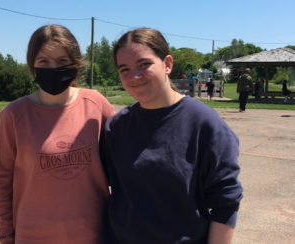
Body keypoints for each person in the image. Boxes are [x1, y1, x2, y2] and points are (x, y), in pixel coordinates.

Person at [100, 28, 243, 244]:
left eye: (144, 64)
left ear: (167, 64)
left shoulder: (204, 124)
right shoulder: (116, 127)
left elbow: (226, 203)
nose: (134, 77)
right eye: (124, 69)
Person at [0, 24, 115, 244]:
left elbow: (121, 167)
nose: (53, 67)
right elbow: (1, 181)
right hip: (33, 235)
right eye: (43, 61)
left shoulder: (96, 105)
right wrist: (5, 235)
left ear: (75, 65)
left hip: (94, 234)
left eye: (62, 61)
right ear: (32, 67)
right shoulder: (14, 114)